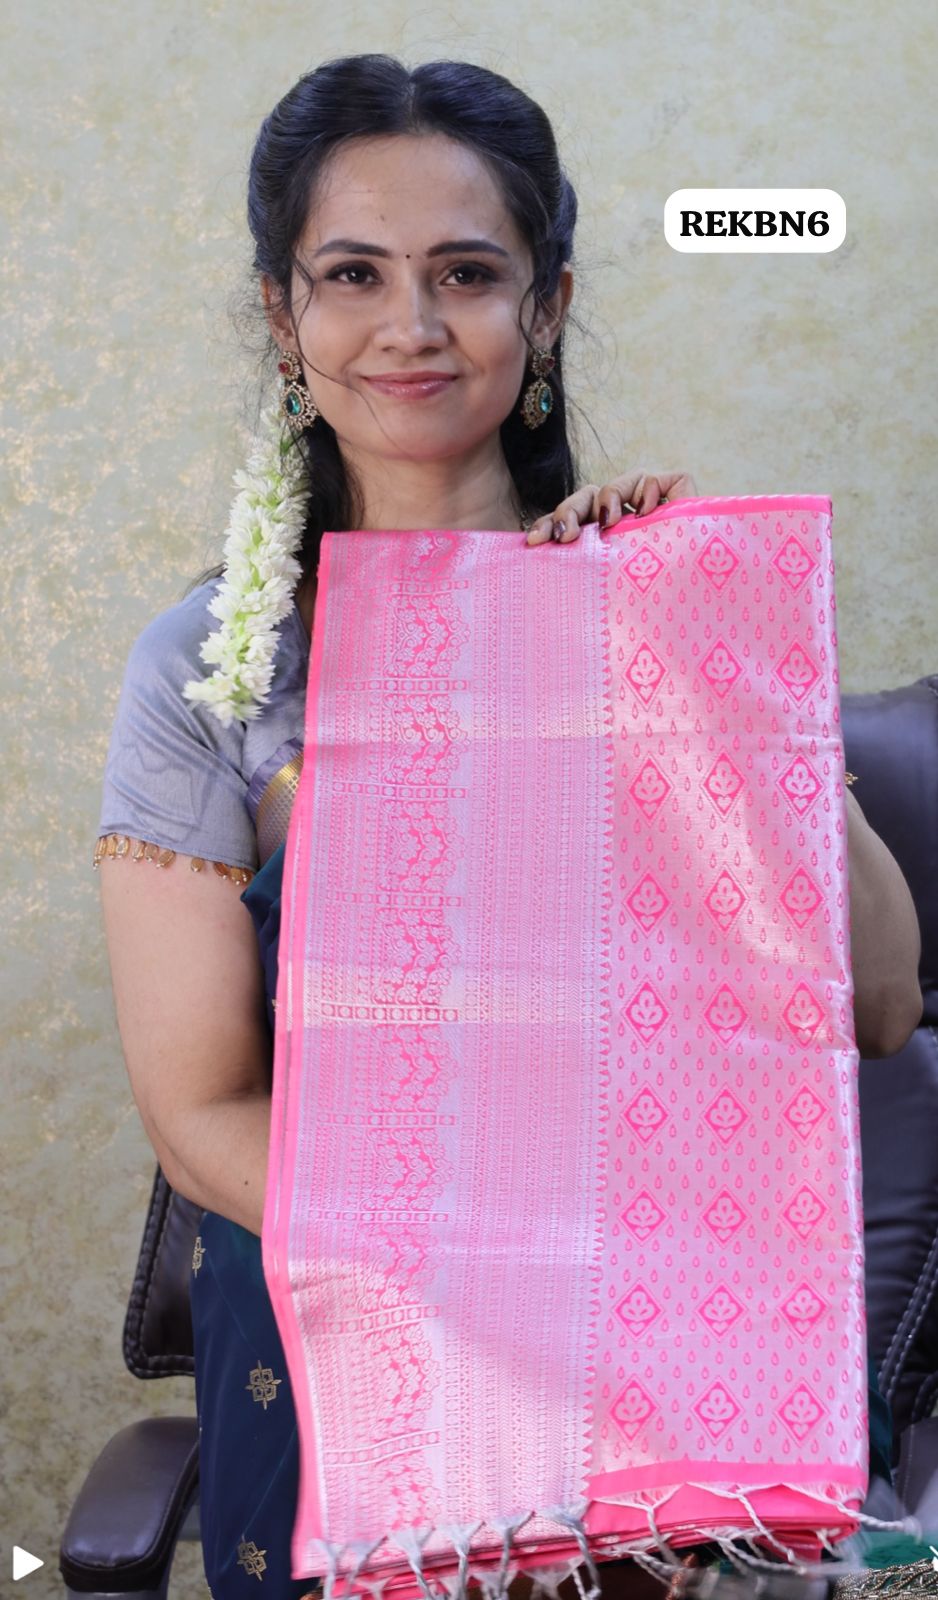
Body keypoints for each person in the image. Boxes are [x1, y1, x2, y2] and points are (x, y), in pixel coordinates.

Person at [93, 53, 923, 1600]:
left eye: (465, 274)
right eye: (353, 275)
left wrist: (712, 674)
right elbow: (197, 1109)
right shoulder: (211, 674)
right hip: (372, 1390)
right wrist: (523, 1304)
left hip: (690, 1369)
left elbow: (874, 1003)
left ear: (540, 307)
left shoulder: (659, 610)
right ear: (284, 315)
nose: (408, 326)